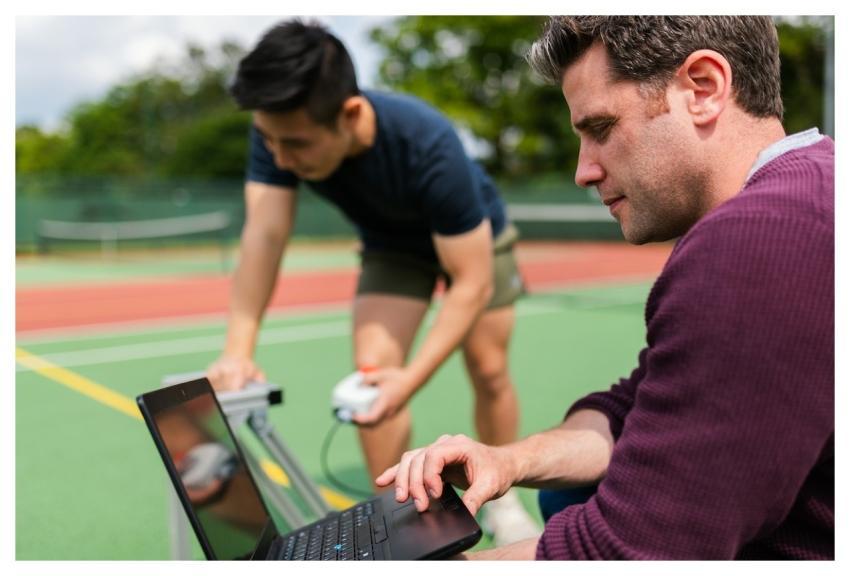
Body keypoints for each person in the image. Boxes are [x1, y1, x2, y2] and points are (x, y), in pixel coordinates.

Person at [377, 16, 834, 560]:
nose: (583, 170)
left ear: (704, 89)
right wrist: (509, 461)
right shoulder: (815, 183)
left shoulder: (757, 240)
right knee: (568, 491)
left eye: (601, 128)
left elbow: (635, 550)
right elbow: (634, 403)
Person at [205, 19, 539, 544]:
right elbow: (264, 236)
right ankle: (401, 523)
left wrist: (415, 378)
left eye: (294, 144)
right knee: (372, 386)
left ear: (351, 113)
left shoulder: (427, 142)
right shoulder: (278, 132)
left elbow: (470, 283)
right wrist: (237, 350)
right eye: (269, 141)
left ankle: (503, 499)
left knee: (490, 369)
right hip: (393, 248)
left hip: (474, 242)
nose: (280, 159)